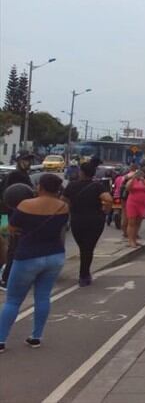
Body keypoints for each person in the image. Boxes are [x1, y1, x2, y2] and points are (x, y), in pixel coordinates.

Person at [0, 174, 69, 352]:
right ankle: (36, 337)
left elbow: (12, 228)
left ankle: (1, 340)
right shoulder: (63, 206)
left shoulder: (25, 205)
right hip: (55, 256)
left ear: (40, 187)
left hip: (28, 256)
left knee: (13, 301)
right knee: (43, 297)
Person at [62, 158, 112, 287]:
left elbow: (63, 201)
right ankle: (84, 275)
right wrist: (105, 211)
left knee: (83, 246)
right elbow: (108, 199)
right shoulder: (97, 186)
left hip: (77, 220)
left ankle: (84, 274)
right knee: (88, 247)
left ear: (81, 172)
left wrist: (71, 208)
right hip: (95, 220)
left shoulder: (72, 185)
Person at [0, 151, 36, 291]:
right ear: (19, 160)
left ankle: (12, 276)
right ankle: (6, 278)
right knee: (13, 248)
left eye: (30, 160)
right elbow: (7, 196)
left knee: (16, 247)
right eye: (26, 159)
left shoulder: (23, 176)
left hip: (16, 215)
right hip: (13, 215)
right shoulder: (15, 176)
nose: (28, 162)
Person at [124, 168, 145, 248]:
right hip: (132, 203)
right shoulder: (132, 181)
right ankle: (130, 241)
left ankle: (135, 239)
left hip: (142, 204)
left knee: (138, 222)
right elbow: (127, 188)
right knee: (131, 222)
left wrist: (143, 180)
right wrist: (133, 178)